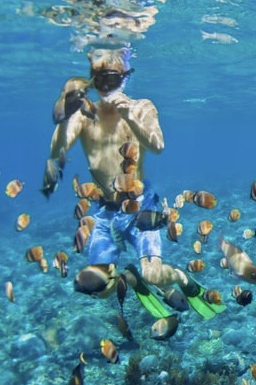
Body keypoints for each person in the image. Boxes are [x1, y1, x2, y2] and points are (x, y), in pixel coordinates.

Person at [48, 47, 193, 312]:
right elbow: (57, 149)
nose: (105, 87)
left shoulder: (142, 107)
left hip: (140, 206)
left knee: (152, 274)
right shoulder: (83, 115)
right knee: (101, 289)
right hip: (104, 208)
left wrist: (129, 115)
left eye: (111, 79)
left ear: (125, 77)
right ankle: (130, 278)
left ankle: (179, 280)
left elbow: (158, 145)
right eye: (98, 80)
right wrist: (64, 113)